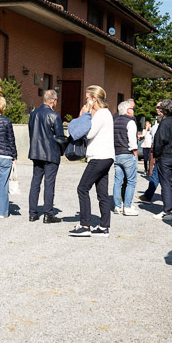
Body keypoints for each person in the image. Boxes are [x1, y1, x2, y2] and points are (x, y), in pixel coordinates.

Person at [69, 85, 114, 237]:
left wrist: (84, 114)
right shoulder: (106, 113)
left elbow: (87, 134)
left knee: (82, 188)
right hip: (107, 157)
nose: (86, 101)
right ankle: (104, 227)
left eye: (87, 98)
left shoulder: (101, 114)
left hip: (99, 157)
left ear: (94, 99)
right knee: (102, 193)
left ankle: (85, 225)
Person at [28, 89, 64, 223]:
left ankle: (32, 213)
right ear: (53, 100)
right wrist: (62, 151)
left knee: (35, 182)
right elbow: (60, 137)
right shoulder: (55, 116)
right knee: (49, 183)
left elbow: (31, 132)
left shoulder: (33, 114)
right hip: (51, 154)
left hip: (36, 152)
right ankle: (48, 214)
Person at [152, 99, 172, 220]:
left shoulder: (165, 122)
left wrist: (156, 154)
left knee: (165, 183)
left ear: (164, 110)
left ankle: (167, 211)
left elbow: (159, 140)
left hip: (165, 155)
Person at [113, 100, 139, 216]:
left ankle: (117, 206)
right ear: (128, 110)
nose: (133, 111)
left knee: (117, 181)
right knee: (131, 181)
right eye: (132, 109)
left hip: (117, 153)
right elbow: (132, 141)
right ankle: (127, 206)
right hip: (127, 154)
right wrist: (135, 154)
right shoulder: (130, 122)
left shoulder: (115, 121)